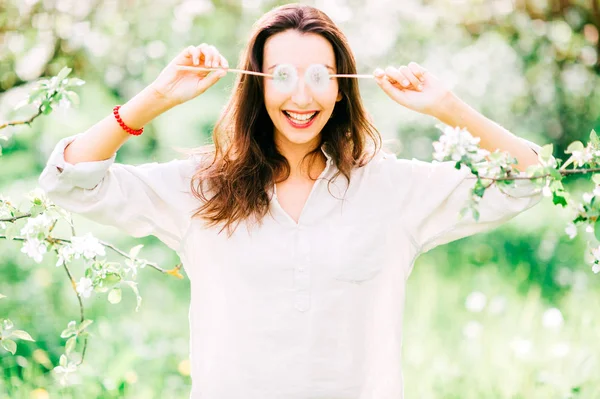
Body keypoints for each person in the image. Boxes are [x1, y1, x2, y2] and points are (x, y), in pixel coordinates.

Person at [38, 3, 544, 398]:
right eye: (281, 77)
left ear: (343, 89)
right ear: (256, 87)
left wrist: (448, 108)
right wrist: (156, 98)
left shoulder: (392, 190)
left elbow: (529, 179)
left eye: (320, 77)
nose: (301, 99)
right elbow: (69, 182)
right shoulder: (201, 187)